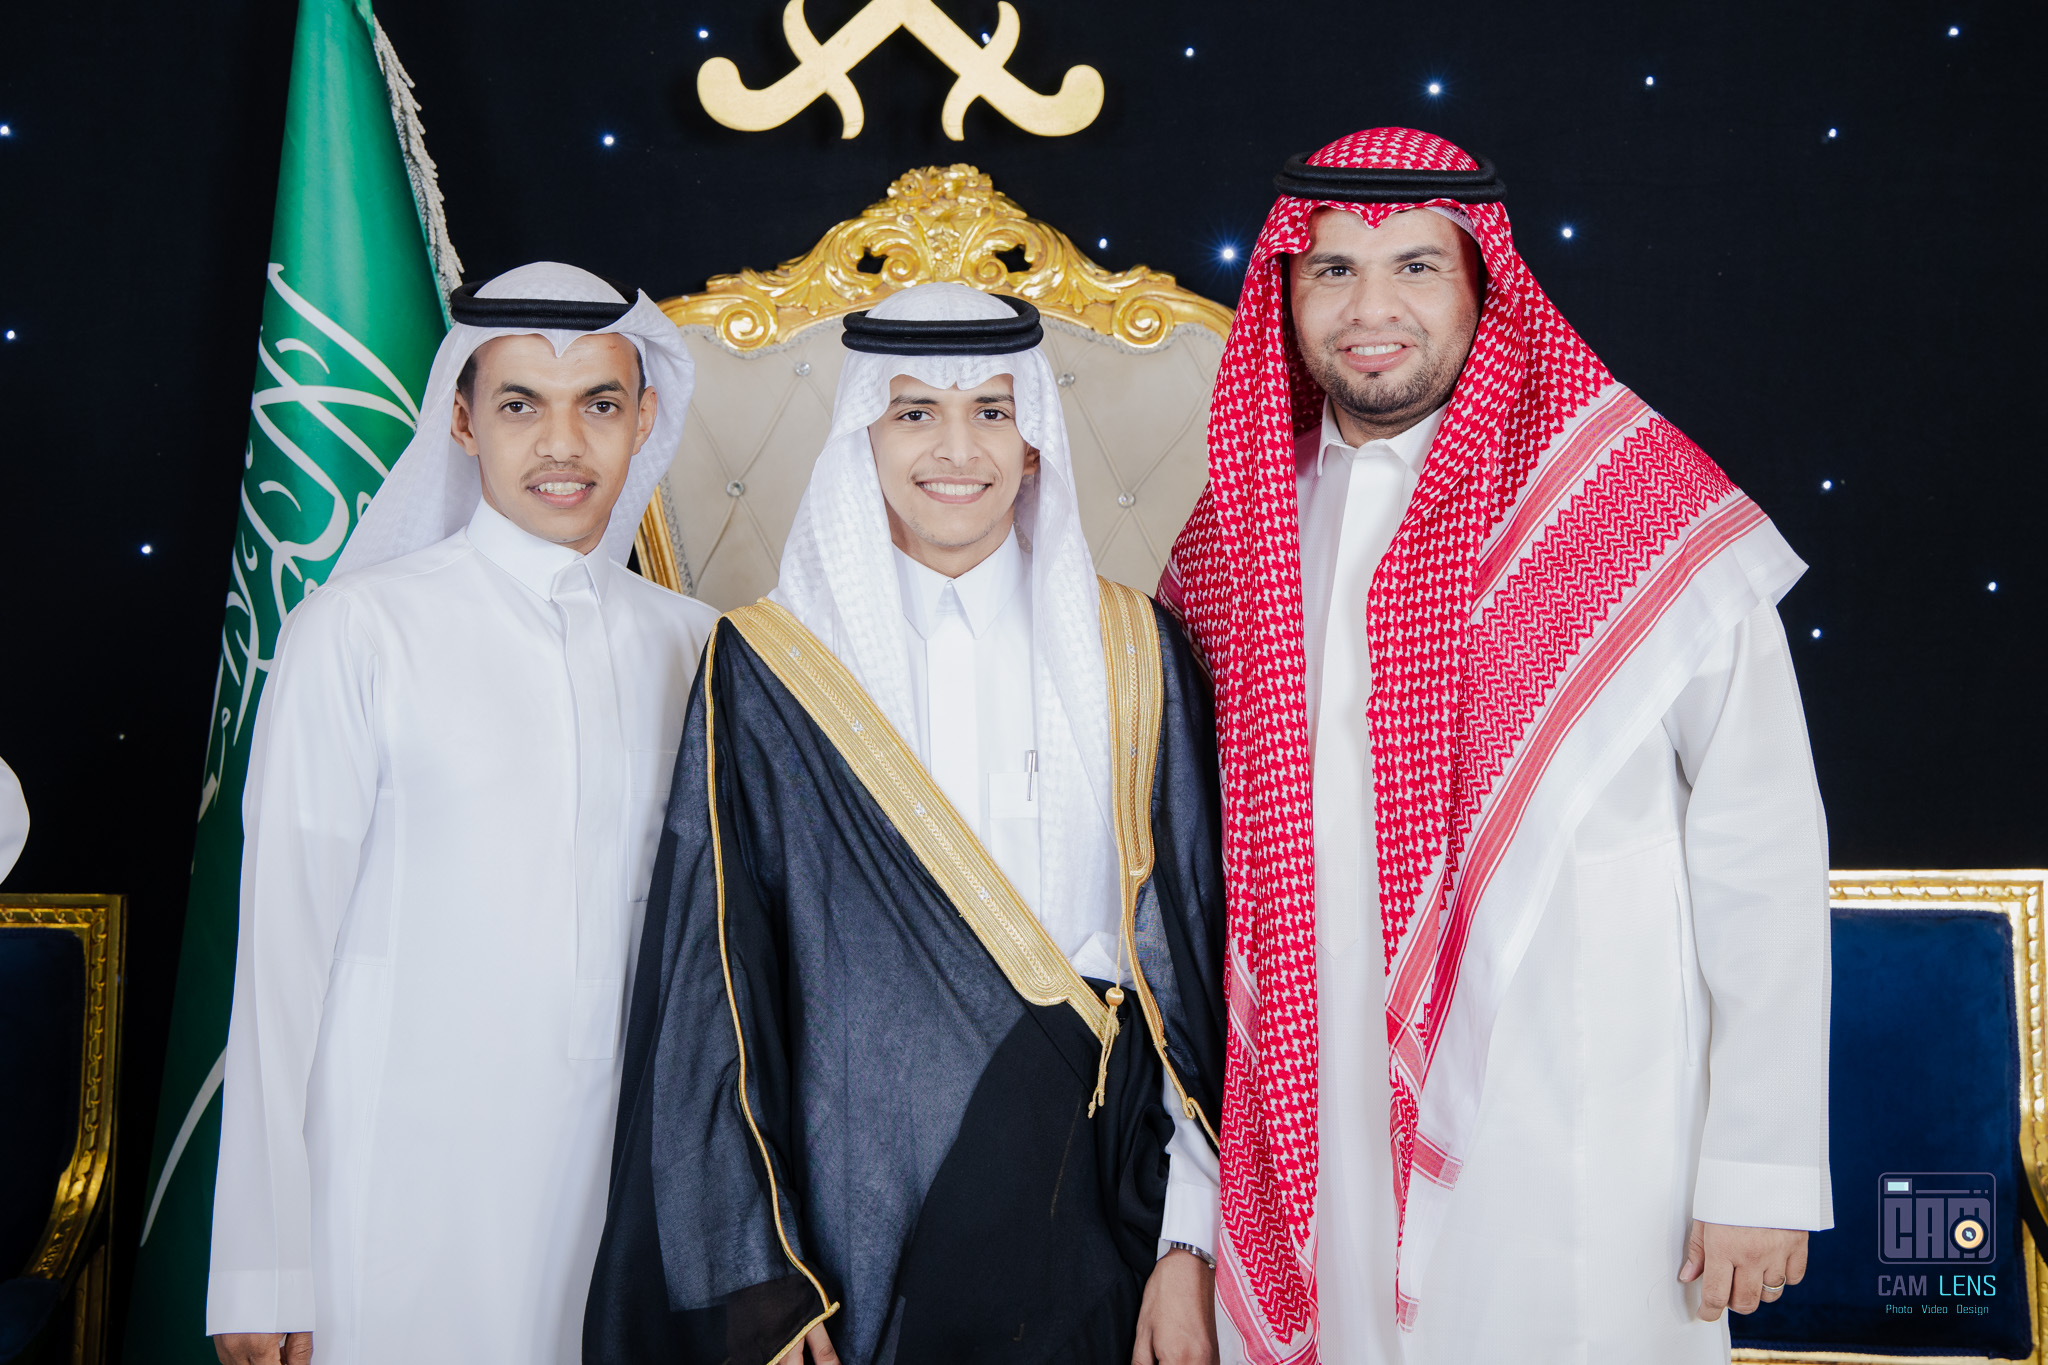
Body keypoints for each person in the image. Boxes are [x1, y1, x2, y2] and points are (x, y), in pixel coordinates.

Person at [1162, 129, 1833, 1363]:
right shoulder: (1233, 540)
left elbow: (1761, 844)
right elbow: (1183, 880)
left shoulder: (1630, 502)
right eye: (1331, 270)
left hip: (1582, 1133)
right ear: (1284, 293)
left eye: (1415, 266)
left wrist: (1760, 1161)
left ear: (1483, 285)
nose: (1370, 310)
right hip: (1311, 1118)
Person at [585, 283, 1227, 1365]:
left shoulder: (1133, 651)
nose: (957, 449)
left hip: (1098, 1222)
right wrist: (767, 1286)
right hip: (852, 1223)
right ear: (863, 437)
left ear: (1032, 440)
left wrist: (1188, 1245)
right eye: (914, 411)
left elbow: (1196, 970)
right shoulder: (774, 666)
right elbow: (717, 980)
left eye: (991, 410)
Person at [207, 262, 718, 1365]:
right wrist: (259, 1262)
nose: (562, 445)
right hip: (397, 1185)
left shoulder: (695, 645)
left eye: (599, 404)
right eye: (520, 404)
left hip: (625, 1188)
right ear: (461, 419)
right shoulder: (357, 631)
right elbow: (279, 963)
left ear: (644, 421)